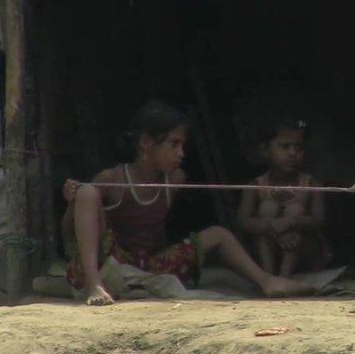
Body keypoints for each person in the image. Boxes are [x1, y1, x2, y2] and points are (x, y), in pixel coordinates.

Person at [62, 100, 311, 306]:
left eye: (182, 145)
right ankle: (95, 285)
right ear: (146, 143)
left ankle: (266, 280)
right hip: (111, 262)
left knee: (219, 234)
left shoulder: (175, 179)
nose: (181, 153)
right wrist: (74, 201)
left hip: (149, 265)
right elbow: (71, 230)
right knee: (87, 192)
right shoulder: (113, 179)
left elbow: (157, 233)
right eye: (174, 144)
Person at [237, 117, 330, 277]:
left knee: (294, 210)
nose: (293, 153)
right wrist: (271, 227)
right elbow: (243, 220)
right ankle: (269, 277)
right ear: (265, 150)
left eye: (298, 147)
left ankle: (284, 277)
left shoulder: (311, 183)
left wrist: (291, 223)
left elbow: (318, 220)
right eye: (285, 147)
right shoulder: (255, 185)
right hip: (267, 245)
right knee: (268, 208)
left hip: (303, 249)